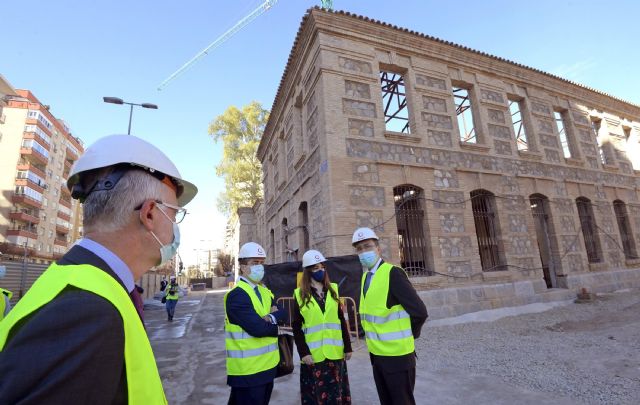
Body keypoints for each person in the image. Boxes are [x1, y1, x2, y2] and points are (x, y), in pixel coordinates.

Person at [0, 134, 197, 404]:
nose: (176, 228)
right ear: (149, 213)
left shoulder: (86, 286)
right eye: (175, 215)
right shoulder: (86, 311)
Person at [352, 227, 428, 405]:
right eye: (359, 249)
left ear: (378, 249)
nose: (364, 252)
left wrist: (410, 334)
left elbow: (420, 312)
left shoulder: (393, 273)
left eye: (367, 246)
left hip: (398, 357)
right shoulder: (365, 277)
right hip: (377, 356)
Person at [224, 242, 287, 405]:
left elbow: (283, 313)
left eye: (261, 263)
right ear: (243, 266)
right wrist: (275, 323)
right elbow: (258, 329)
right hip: (247, 372)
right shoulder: (236, 296)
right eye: (254, 263)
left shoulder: (265, 291)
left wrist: (271, 318)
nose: (259, 267)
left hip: (269, 367)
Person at [292, 249, 352, 404]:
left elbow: (340, 320)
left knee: (335, 395)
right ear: (308, 271)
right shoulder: (299, 295)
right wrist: (303, 353)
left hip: (334, 354)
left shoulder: (333, 290)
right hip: (313, 356)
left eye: (322, 267)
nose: (321, 271)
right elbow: (297, 328)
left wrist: (348, 346)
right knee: (316, 397)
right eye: (316, 268)